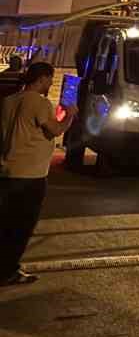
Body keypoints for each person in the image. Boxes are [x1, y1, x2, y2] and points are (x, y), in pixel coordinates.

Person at [1, 62, 77, 286]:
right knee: (20, 227)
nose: (51, 83)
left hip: (7, 171)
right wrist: (70, 115)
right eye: (50, 79)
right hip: (30, 176)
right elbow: (55, 130)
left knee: (4, 224)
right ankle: (7, 272)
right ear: (42, 78)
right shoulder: (39, 102)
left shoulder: (9, 101)